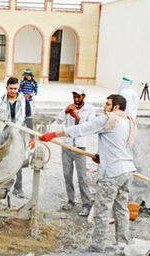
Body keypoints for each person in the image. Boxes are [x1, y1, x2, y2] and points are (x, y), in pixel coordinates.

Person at [40, 94, 137, 253]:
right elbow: (120, 144)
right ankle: (122, 243)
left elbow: (81, 129)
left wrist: (54, 134)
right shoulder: (128, 121)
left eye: (108, 104)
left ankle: (97, 247)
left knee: (102, 210)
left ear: (116, 107)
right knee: (121, 209)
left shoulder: (109, 119)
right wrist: (103, 156)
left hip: (112, 173)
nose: (105, 107)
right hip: (127, 170)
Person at [56, 86, 95, 216]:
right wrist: (66, 112)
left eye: (79, 97)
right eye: (74, 97)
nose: (76, 99)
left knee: (82, 177)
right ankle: (70, 201)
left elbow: (89, 127)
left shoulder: (90, 109)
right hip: (67, 146)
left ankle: (86, 204)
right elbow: (58, 121)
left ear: (84, 97)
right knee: (67, 175)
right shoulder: (69, 106)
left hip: (80, 147)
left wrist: (77, 116)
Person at [0, 77, 35, 198]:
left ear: (18, 88)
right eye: (11, 88)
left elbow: (29, 119)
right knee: (4, 160)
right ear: (6, 88)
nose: (13, 91)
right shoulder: (0, 101)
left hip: (19, 134)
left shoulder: (25, 102)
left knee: (18, 161)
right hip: (5, 135)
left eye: (15, 88)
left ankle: (18, 187)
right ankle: (3, 185)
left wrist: (32, 137)